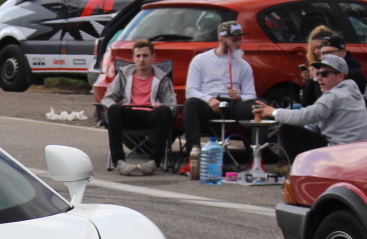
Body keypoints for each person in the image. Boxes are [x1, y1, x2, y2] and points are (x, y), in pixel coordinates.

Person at [254, 54, 367, 160]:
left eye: (325, 74)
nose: (319, 77)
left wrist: (274, 112)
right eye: (318, 73)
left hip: (340, 153)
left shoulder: (334, 95)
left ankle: (299, 172)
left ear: (340, 77)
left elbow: (305, 116)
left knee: (288, 129)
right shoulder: (352, 93)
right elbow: (312, 114)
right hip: (358, 151)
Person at [102, 39, 177, 176]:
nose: (141, 60)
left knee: (165, 111)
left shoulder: (162, 77)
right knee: (114, 109)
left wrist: (162, 106)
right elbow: (107, 98)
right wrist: (118, 105)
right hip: (130, 115)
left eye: (145, 55)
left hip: (151, 116)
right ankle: (119, 161)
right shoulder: (124, 74)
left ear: (153, 57)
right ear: (133, 58)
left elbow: (172, 105)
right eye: (138, 56)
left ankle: (153, 162)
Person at [182, 21, 257, 150]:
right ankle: (193, 155)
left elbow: (251, 95)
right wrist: (209, 99)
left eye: (240, 40)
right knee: (190, 104)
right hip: (208, 104)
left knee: (259, 106)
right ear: (222, 40)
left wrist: (239, 97)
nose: (238, 44)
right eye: (234, 40)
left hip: (234, 105)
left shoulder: (244, 65)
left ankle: (256, 156)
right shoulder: (200, 60)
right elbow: (190, 91)